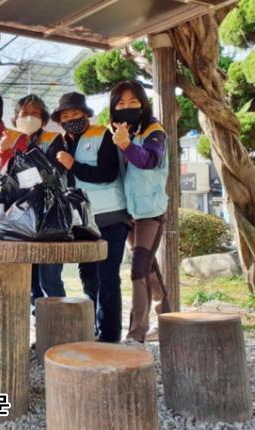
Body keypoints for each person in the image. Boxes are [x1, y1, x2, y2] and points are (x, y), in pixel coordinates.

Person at [52, 91, 131, 343]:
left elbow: (107, 173)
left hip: (110, 217)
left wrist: (72, 164)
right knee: (88, 275)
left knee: (108, 276)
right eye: (65, 116)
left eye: (76, 113)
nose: (71, 119)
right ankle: (94, 329)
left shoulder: (102, 134)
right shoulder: (62, 142)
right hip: (82, 221)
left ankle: (110, 336)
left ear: (86, 114)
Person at [108, 80, 170, 345]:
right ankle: (167, 317)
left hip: (150, 212)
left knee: (138, 269)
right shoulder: (119, 132)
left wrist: (126, 145)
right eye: (121, 103)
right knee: (148, 267)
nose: (127, 107)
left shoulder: (154, 131)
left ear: (143, 104)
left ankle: (136, 334)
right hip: (127, 212)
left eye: (133, 101)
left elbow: (150, 160)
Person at [11, 94, 67, 302]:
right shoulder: (10, 141)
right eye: (24, 113)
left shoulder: (53, 139)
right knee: (29, 278)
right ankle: (36, 315)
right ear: (16, 118)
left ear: (43, 118)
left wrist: (28, 148)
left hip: (50, 214)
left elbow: (54, 171)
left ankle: (59, 317)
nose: (29, 117)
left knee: (50, 277)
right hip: (22, 214)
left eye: (35, 113)